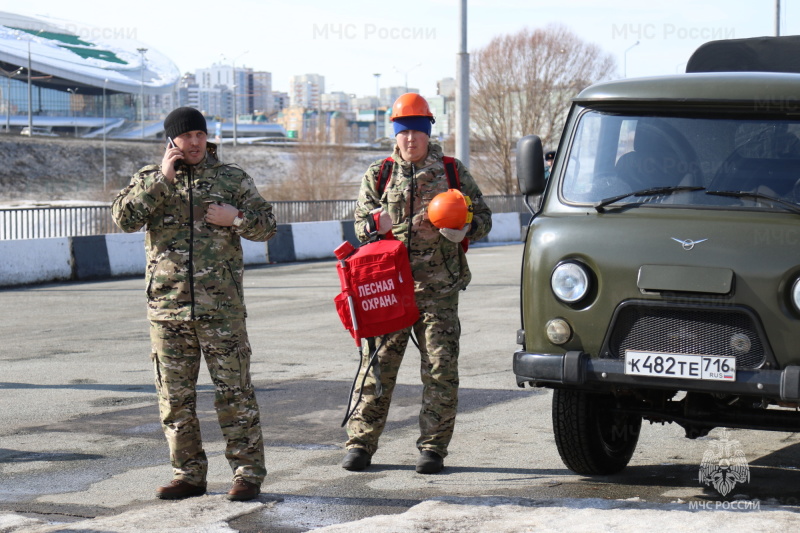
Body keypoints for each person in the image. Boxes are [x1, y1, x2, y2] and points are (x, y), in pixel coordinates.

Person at [112, 107, 277, 501]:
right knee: (175, 398)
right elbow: (124, 219)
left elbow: (267, 225)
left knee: (234, 393)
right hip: (168, 310)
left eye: (201, 134)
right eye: (187, 136)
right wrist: (161, 180)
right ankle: (188, 475)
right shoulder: (149, 180)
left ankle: (247, 475)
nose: (196, 142)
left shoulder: (231, 178)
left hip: (221, 310)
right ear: (171, 141)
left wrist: (235, 218)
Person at [341, 93, 492, 474]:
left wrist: (464, 227)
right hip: (387, 291)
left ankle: (433, 448)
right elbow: (359, 226)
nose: (410, 139)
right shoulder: (380, 174)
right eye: (404, 132)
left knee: (440, 370)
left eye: (417, 132)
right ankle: (360, 444)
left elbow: (485, 217)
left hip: (438, 290)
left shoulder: (451, 172)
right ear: (395, 134)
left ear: (428, 132)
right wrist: (375, 227)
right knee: (375, 370)